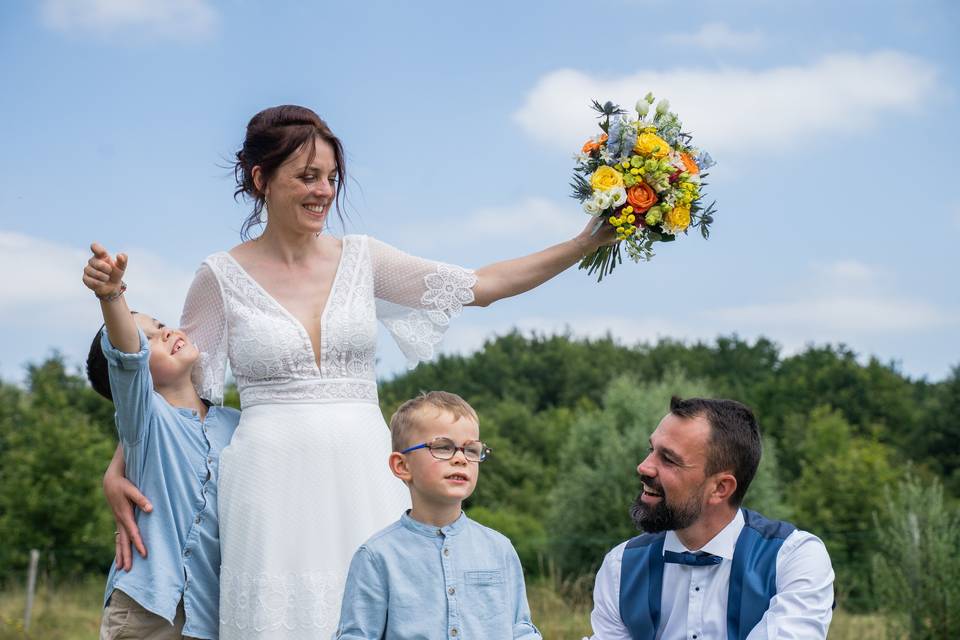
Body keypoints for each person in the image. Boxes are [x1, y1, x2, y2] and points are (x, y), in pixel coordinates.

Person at [103, 104, 615, 639]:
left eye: (331, 177)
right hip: (268, 485)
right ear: (261, 180)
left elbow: (481, 286)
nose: (324, 190)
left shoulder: (363, 258)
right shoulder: (219, 276)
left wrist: (584, 243)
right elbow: (177, 394)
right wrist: (120, 466)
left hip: (366, 471)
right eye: (307, 177)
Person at [83, 243, 240, 640]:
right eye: (148, 337)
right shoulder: (143, 420)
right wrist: (112, 295)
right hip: (145, 609)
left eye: (161, 323)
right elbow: (126, 357)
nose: (166, 331)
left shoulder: (236, 425)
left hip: (209, 614)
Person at [587, 397, 834, 640]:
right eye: (651, 450)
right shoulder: (620, 566)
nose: (644, 467)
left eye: (669, 459)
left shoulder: (794, 558)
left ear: (720, 488)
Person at [335, 391, 541, 639]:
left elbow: (520, 629)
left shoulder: (499, 549)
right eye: (443, 447)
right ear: (402, 466)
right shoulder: (376, 557)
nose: (460, 459)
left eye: (471, 451)